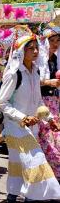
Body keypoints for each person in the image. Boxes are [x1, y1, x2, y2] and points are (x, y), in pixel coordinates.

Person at [0, 34, 60, 203]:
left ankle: (12, 197)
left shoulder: (36, 71)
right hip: (15, 127)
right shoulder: (13, 73)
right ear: (21, 51)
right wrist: (21, 117)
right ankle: (32, 201)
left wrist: (49, 119)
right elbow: (2, 102)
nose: (34, 51)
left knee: (18, 162)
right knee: (35, 160)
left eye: (35, 48)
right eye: (30, 48)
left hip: (32, 126)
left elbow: (38, 101)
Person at [38, 25, 60, 181]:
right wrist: (49, 82)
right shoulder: (40, 58)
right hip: (42, 102)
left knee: (56, 139)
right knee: (47, 139)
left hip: (55, 101)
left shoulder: (56, 59)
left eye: (58, 40)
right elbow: (35, 81)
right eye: (52, 40)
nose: (55, 43)